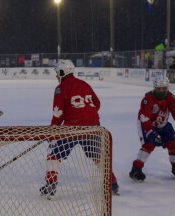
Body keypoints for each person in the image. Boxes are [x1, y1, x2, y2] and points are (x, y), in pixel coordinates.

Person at [40, 59, 119, 197]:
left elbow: (58, 112)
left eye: (58, 73)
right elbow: (97, 103)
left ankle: (51, 185)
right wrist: (85, 115)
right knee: (98, 157)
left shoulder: (61, 88)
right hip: (93, 127)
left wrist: (53, 130)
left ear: (62, 72)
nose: (56, 76)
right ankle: (113, 184)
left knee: (54, 154)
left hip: (72, 128)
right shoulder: (85, 84)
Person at [129, 75, 175, 182]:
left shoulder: (172, 98)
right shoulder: (147, 100)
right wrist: (151, 133)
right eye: (158, 89)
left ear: (167, 88)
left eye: (164, 89)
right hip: (146, 124)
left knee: (173, 142)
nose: (161, 91)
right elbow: (145, 118)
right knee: (149, 145)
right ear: (154, 88)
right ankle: (136, 169)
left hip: (163, 123)